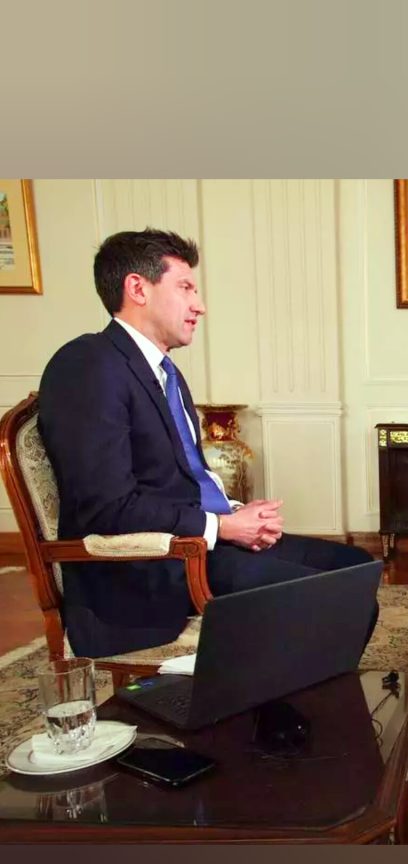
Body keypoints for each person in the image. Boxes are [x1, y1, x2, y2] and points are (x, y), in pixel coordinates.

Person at [38, 228, 377, 658]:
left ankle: (304, 692)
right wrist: (222, 527)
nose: (199, 305)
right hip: (148, 569)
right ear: (138, 288)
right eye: (185, 287)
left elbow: (185, 477)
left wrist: (234, 514)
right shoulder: (88, 365)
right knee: (334, 598)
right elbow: (108, 507)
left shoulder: (165, 372)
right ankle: (288, 697)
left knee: (358, 569)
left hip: (198, 545)